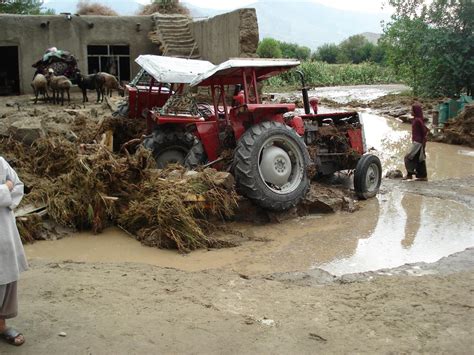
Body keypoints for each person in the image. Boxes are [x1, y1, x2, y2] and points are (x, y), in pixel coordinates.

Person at [0, 156, 27, 346]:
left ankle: (1, 323)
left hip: (5, 229)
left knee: (8, 278)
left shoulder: (0, 162)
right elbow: (10, 187)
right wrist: (5, 187)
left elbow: (18, 185)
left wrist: (10, 187)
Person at [403, 103, 429, 181]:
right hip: (417, 142)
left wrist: (423, 142)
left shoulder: (418, 120)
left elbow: (424, 131)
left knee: (408, 157)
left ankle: (410, 174)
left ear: (415, 111)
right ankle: (422, 176)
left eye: (412, 110)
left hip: (418, 143)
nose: (411, 111)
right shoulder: (417, 119)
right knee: (419, 159)